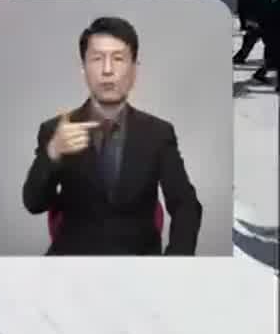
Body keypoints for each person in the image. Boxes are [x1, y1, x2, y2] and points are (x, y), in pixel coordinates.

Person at [19, 16, 201, 255]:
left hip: (140, 265)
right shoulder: (55, 130)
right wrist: (52, 154)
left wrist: (175, 264)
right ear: (83, 69)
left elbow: (185, 204)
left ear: (134, 70)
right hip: (72, 265)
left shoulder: (158, 133)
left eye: (118, 59)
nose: (107, 70)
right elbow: (34, 203)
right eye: (96, 59)